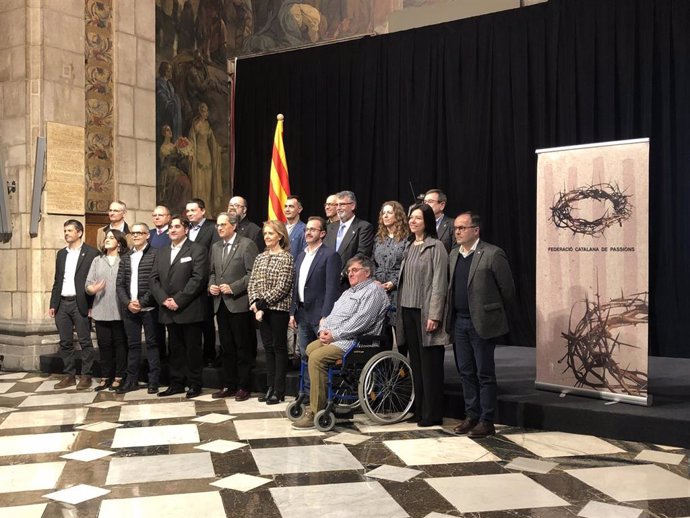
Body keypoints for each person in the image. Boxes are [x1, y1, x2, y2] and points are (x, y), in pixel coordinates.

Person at [292, 254, 389, 429]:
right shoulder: (348, 292)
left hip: (358, 342)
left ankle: (315, 410)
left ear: (367, 273)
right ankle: (324, 397)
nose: (350, 274)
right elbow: (332, 315)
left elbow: (361, 322)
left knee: (316, 358)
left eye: (355, 270)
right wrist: (323, 331)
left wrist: (334, 335)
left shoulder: (374, 292)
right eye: (349, 270)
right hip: (338, 338)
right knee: (309, 349)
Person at [446, 212, 515, 438]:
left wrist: (491, 313)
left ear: (475, 230)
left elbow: (508, 291)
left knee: (484, 373)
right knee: (466, 372)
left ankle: (487, 420)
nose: (457, 232)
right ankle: (471, 416)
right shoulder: (453, 254)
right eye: (456, 228)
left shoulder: (493, 254)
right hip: (460, 322)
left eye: (462, 228)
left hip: (482, 323)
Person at [396, 204, 450, 427]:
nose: (412, 221)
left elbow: (439, 284)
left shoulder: (436, 247)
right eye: (411, 218)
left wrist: (435, 315)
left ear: (427, 221)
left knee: (430, 366)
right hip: (407, 312)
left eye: (417, 218)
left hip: (425, 312)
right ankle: (419, 410)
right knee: (415, 364)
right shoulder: (409, 246)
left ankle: (432, 413)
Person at [150, 215, 209, 398]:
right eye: (171, 227)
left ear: (186, 229)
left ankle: (194, 384)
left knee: (192, 348)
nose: (172, 230)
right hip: (168, 308)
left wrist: (179, 300)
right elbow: (153, 279)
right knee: (174, 349)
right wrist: (164, 299)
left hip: (189, 308)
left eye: (177, 226)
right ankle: (176, 383)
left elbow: (198, 278)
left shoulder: (197, 250)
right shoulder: (161, 251)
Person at [208, 213, 259, 401]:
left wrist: (234, 287)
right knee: (226, 347)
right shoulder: (215, 247)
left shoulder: (246, 245)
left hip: (239, 303)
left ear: (234, 226)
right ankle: (229, 384)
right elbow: (212, 272)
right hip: (220, 304)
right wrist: (211, 285)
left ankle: (244, 386)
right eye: (218, 225)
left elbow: (252, 274)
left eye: (223, 224)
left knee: (242, 347)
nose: (219, 228)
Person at [289, 216, 342, 387]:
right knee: (305, 354)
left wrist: (326, 315)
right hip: (302, 312)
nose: (308, 232)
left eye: (313, 229)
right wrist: (292, 312)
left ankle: (324, 394)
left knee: (320, 355)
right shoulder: (300, 256)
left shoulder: (330, 255)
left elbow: (332, 288)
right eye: (307, 229)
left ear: (323, 233)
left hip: (320, 314)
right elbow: (296, 286)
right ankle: (307, 391)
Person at [247, 220, 295, 404]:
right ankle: (270, 387)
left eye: (271, 234)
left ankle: (279, 390)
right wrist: (254, 302)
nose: (266, 237)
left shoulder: (286, 258)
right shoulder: (260, 257)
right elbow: (252, 283)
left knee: (279, 348)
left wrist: (261, 303)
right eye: (265, 233)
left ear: (280, 236)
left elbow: (282, 287)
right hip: (260, 309)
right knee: (267, 349)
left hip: (277, 310)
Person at [49, 220, 100, 390]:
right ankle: (69, 375)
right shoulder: (61, 254)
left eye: (70, 230)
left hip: (81, 302)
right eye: (65, 230)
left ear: (79, 232)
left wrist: (92, 305)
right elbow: (57, 280)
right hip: (62, 303)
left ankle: (86, 375)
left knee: (85, 341)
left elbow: (94, 281)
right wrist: (53, 303)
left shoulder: (92, 253)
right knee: (65, 341)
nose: (66, 233)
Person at [116, 223, 161, 394]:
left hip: (149, 308)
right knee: (133, 345)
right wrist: (128, 302)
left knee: (152, 344)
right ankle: (131, 380)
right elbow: (119, 284)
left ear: (147, 235)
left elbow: (155, 282)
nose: (135, 236)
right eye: (133, 233)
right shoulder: (126, 257)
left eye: (139, 233)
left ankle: (153, 381)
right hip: (130, 309)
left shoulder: (155, 254)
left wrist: (141, 302)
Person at [86, 229, 129, 392]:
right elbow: (88, 285)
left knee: (120, 344)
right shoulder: (97, 260)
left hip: (120, 310)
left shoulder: (125, 260)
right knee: (104, 345)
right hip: (101, 309)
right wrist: (93, 288)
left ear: (119, 243)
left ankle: (119, 376)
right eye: (106, 237)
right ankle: (105, 376)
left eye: (111, 237)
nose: (107, 240)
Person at [186, 198, 220, 365]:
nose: (190, 214)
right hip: (187, 280)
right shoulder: (186, 229)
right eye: (188, 211)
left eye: (193, 210)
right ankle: (193, 354)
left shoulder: (211, 229)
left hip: (204, 280)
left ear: (203, 211)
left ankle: (209, 355)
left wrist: (209, 280)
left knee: (206, 320)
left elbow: (213, 255)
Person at [373, 200, 409, 352]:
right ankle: (385, 368)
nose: (385, 215)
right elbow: (372, 261)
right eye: (383, 213)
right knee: (383, 332)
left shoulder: (406, 237)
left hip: (398, 289)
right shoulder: (379, 238)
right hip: (379, 289)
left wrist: (393, 282)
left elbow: (407, 264)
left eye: (389, 212)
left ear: (398, 215)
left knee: (400, 332)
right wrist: (374, 280)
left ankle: (403, 369)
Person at [323, 190, 374, 289]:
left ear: (353, 206)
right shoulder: (329, 227)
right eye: (337, 205)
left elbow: (362, 254)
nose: (338, 208)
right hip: (326, 281)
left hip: (348, 283)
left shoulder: (363, 227)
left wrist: (342, 273)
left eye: (342, 204)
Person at [189, 102, 223, 217]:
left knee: (207, 187)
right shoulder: (195, 124)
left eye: (206, 110)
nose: (205, 112)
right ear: (199, 111)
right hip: (198, 156)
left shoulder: (208, 125)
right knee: (199, 185)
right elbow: (192, 140)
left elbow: (212, 141)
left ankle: (206, 210)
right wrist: (192, 154)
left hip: (207, 155)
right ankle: (196, 211)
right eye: (203, 110)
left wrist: (218, 149)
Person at [159, 125, 191, 215]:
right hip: (168, 170)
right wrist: (177, 154)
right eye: (167, 131)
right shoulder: (163, 147)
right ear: (164, 133)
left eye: (170, 130)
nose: (170, 132)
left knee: (186, 182)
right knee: (182, 181)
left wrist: (185, 153)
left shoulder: (174, 146)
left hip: (175, 169)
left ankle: (182, 206)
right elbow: (167, 160)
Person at [424, 189, 454, 253]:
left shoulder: (452, 224)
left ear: (442, 205)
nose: (426, 205)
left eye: (430, 201)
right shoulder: (421, 224)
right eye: (425, 202)